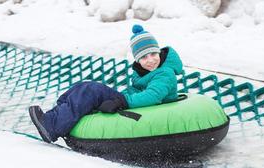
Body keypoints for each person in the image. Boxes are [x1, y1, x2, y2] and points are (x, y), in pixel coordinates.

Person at [29, 24, 183, 143]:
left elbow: (153, 96)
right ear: (137, 59)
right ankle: (55, 116)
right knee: (82, 86)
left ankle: (52, 127)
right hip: (132, 101)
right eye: (143, 57)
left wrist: (122, 101)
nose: (150, 60)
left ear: (159, 52)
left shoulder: (164, 73)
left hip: (150, 108)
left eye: (153, 54)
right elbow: (137, 91)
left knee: (91, 90)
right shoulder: (144, 72)